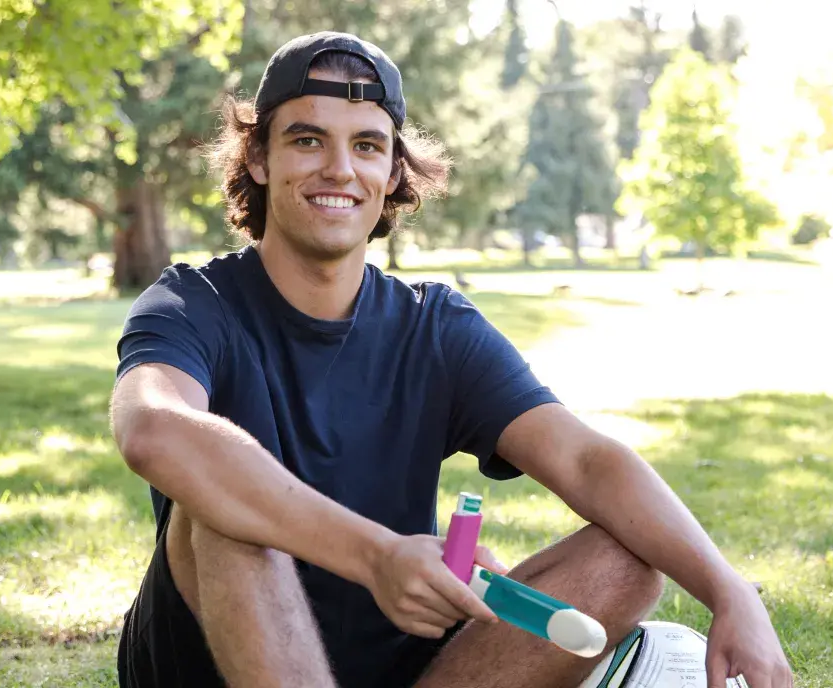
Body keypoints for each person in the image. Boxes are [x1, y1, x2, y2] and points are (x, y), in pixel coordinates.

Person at [109, 31, 794, 688]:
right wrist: (377, 556)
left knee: (626, 558)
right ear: (259, 159)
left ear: (391, 171)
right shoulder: (191, 304)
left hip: (404, 667)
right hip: (209, 664)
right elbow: (153, 428)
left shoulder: (435, 326)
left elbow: (585, 460)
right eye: (307, 139)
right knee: (224, 516)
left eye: (368, 146)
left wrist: (730, 591)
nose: (339, 169)